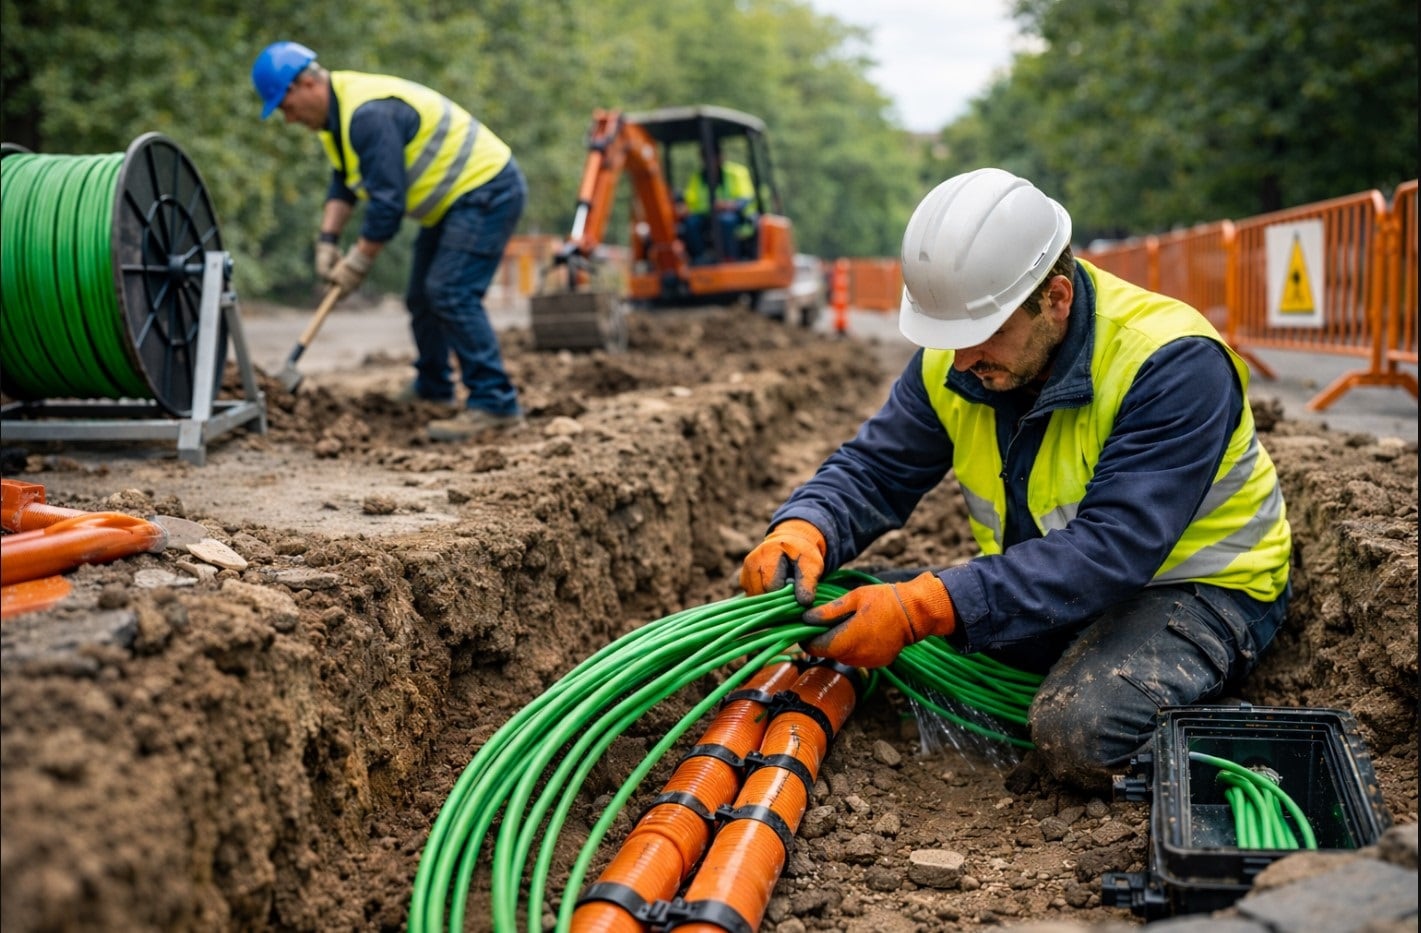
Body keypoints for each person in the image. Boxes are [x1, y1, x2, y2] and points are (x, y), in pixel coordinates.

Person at [739, 167, 1292, 792]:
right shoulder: (960, 361)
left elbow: (1114, 548)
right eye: (950, 339)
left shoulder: (1171, 362)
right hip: (1062, 588)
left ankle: (1245, 745)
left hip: (1200, 590)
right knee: (835, 609)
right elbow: (875, 468)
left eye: (982, 335)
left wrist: (930, 605)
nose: (964, 360)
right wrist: (805, 526)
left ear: (1055, 298)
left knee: (1081, 732)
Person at [251, 41, 526, 442]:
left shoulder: (368, 115)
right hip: (455, 203)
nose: (288, 119)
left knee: (450, 291)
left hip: (488, 189)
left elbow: (387, 205)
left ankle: (496, 403)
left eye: (286, 107)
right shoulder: (337, 119)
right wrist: (327, 241)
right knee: (421, 296)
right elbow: (344, 182)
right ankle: (434, 386)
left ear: (307, 83)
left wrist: (358, 263)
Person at [680, 145, 757, 263]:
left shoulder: (736, 173)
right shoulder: (697, 177)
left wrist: (727, 205)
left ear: (721, 157)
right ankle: (701, 258)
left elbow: (746, 198)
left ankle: (730, 258)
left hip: (736, 215)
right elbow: (690, 201)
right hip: (707, 215)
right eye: (705, 158)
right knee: (691, 224)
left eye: (712, 157)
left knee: (725, 221)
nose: (709, 162)